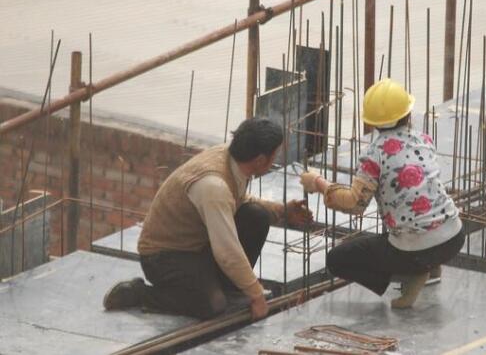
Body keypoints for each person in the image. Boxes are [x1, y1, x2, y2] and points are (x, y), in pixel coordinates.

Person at [102, 118, 312, 320]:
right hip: (165, 256)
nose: (275, 160)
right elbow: (227, 251)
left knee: (256, 215)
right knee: (212, 305)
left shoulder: (232, 161)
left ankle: (229, 288)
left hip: (197, 245)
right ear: (259, 160)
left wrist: (282, 211)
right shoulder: (213, 185)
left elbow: (239, 201)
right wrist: (256, 295)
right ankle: (142, 295)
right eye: (274, 156)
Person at [300, 78, 465, 309]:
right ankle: (430, 268)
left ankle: (412, 274)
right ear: (408, 115)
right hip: (454, 237)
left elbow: (354, 204)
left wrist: (318, 183)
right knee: (419, 211)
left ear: (372, 123)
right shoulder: (425, 140)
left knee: (336, 260)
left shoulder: (374, 156)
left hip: (412, 251)